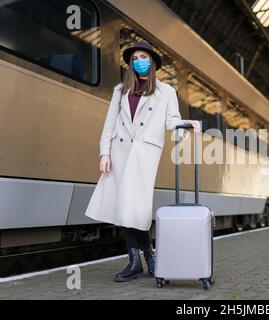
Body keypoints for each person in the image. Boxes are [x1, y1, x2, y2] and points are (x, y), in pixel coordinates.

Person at [84, 41, 200, 282]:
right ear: (130, 64)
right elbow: (109, 123)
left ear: (153, 62)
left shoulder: (166, 91)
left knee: (136, 207)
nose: (139, 61)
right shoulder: (120, 90)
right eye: (135, 57)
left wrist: (187, 124)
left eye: (144, 57)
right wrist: (104, 153)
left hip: (144, 155)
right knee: (122, 206)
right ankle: (139, 261)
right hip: (119, 152)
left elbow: (171, 121)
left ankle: (147, 259)